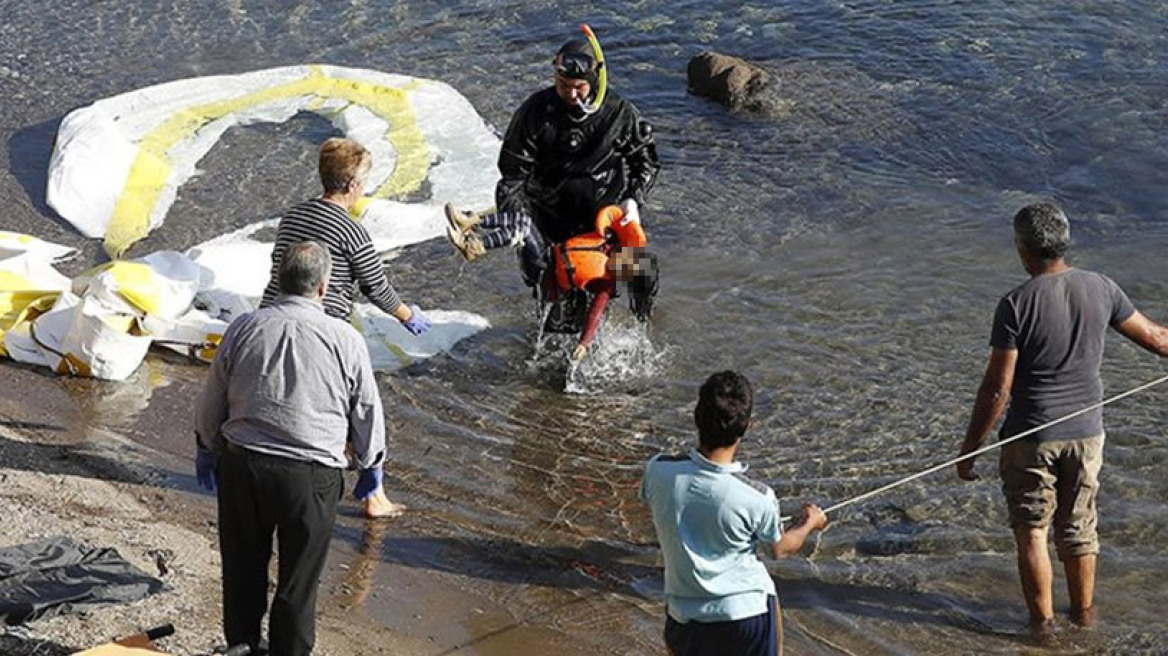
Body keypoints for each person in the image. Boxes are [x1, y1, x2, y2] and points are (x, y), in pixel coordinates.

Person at [955, 202, 1168, 638]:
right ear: (1064, 242)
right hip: (1087, 436)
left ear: (1023, 249)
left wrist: (970, 449)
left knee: (1032, 530)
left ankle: (1043, 629)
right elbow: (1160, 341)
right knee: (1079, 528)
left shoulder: (1015, 304)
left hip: (1031, 438)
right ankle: (1084, 618)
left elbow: (997, 390)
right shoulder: (1102, 287)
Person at [194, 241, 397, 656]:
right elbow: (367, 410)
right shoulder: (346, 339)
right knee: (297, 581)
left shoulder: (245, 327)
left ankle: (243, 646)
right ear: (322, 288)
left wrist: (207, 446)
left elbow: (212, 398)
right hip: (310, 476)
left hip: (244, 465)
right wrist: (371, 465)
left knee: (243, 567)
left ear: (278, 280)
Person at [445, 33, 660, 288]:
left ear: (593, 80)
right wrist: (518, 226)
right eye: (562, 84)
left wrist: (633, 200)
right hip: (548, 221)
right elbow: (511, 177)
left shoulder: (619, 114)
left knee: (644, 274)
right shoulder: (536, 112)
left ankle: (641, 325)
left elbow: (645, 162)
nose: (570, 93)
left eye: (578, 87)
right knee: (555, 292)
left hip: (605, 221)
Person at [641, 370, 829, 656]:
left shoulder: (657, 469)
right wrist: (809, 524)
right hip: (745, 617)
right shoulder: (757, 496)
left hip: (683, 615)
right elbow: (779, 549)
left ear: (697, 417)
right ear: (747, 427)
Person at [260, 137, 432, 335]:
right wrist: (408, 316)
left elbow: (277, 265)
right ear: (352, 185)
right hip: (322, 326)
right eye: (363, 183)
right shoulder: (351, 232)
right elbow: (375, 287)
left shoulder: (292, 215)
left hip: (271, 316)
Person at [446, 202, 659, 360]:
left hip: (546, 275)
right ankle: (471, 222)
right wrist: (630, 211)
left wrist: (584, 344)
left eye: (626, 269)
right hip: (549, 254)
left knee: (522, 230)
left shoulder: (605, 284)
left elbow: (596, 312)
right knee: (522, 219)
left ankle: (475, 247)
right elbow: (626, 206)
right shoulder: (612, 240)